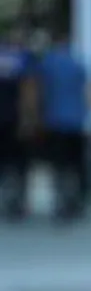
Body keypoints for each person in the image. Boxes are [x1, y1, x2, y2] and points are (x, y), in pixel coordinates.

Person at [35, 32, 90, 220]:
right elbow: (88, 91)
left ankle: (61, 200)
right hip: (76, 121)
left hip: (54, 121)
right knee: (76, 165)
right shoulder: (77, 64)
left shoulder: (47, 64)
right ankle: (76, 200)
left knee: (59, 165)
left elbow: (38, 92)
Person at [0, 25, 37, 220]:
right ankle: (17, 201)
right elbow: (28, 91)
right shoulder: (23, 59)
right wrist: (29, 119)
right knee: (19, 164)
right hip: (15, 119)